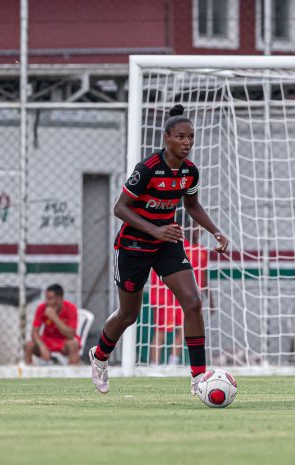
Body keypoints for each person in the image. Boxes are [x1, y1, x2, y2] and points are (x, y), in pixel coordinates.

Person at [89, 104, 229, 395]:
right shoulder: (147, 170)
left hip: (167, 244)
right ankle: (100, 356)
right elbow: (120, 208)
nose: (187, 142)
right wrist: (154, 229)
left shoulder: (190, 173)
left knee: (193, 302)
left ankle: (198, 378)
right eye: (181, 136)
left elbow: (192, 206)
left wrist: (214, 230)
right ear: (167, 138)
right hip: (133, 246)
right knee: (129, 315)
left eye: (191, 137)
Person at [149, 220, 212, 365]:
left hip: (186, 296)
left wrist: (210, 300)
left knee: (182, 328)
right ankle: (154, 365)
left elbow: (203, 277)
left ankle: (173, 362)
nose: (199, 231)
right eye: (197, 227)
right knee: (161, 329)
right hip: (165, 295)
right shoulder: (173, 244)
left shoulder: (201, 251)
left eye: (201, 229)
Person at [24, 284, 80, 365]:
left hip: (64, 342)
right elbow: (34, 333)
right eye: (46, 298)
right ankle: (28, 374)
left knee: (73, 344)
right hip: (47, 341)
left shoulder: (71, 308)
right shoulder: (42, 308)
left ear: (59, 299)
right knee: (28, 345)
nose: (47, 302)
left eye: (50, 299)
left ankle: (73, 374)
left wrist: (54, 318)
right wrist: (42, 347)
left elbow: (71, 335)